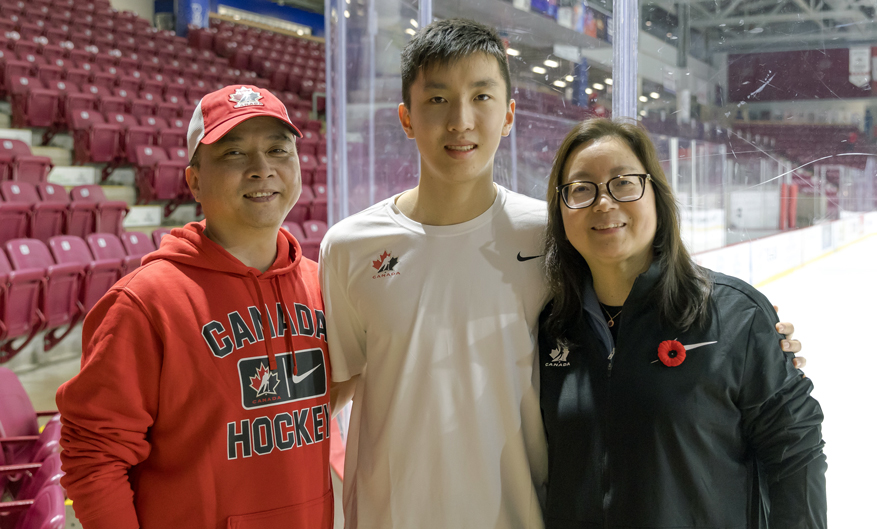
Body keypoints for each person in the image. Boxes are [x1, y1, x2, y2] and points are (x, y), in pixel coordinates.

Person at [321, 19, 805, 528]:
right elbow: (333, 389)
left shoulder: (555, 235)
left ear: (508, 115)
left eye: (481, 97)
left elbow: (640, 305)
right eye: (438, 99)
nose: (461, 121)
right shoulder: (351, 247)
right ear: (406, 117)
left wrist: (754, 341)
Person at [56, 85, 334, 529]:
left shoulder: (323, 285)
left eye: (278, 150)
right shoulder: (145, 303)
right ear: (194, 181)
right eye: (234, 154)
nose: (262, 170)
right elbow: (93, 457)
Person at [538, 118, 827, 528]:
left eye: (623, 182)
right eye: (582, 189)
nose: (603, 203)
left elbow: (796, 453)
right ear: (561, 210)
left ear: (655, 193)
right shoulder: (550, 330)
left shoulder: (736, 316)